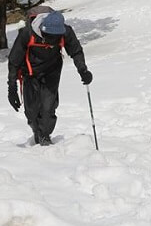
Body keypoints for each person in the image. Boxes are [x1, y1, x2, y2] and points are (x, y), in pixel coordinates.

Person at [7, 10, 93, 146]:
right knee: (31, 110)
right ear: (42, 29)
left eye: (55, 38)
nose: (52, 42)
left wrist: (83, 70)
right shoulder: (27, 34)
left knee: (48, 106)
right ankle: (36, 130)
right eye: (48, 37)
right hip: (30, 72)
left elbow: (76, 51)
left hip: (52, 69)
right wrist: (12, 89)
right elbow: (14, 62)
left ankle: (45, 135)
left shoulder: (66, 32)